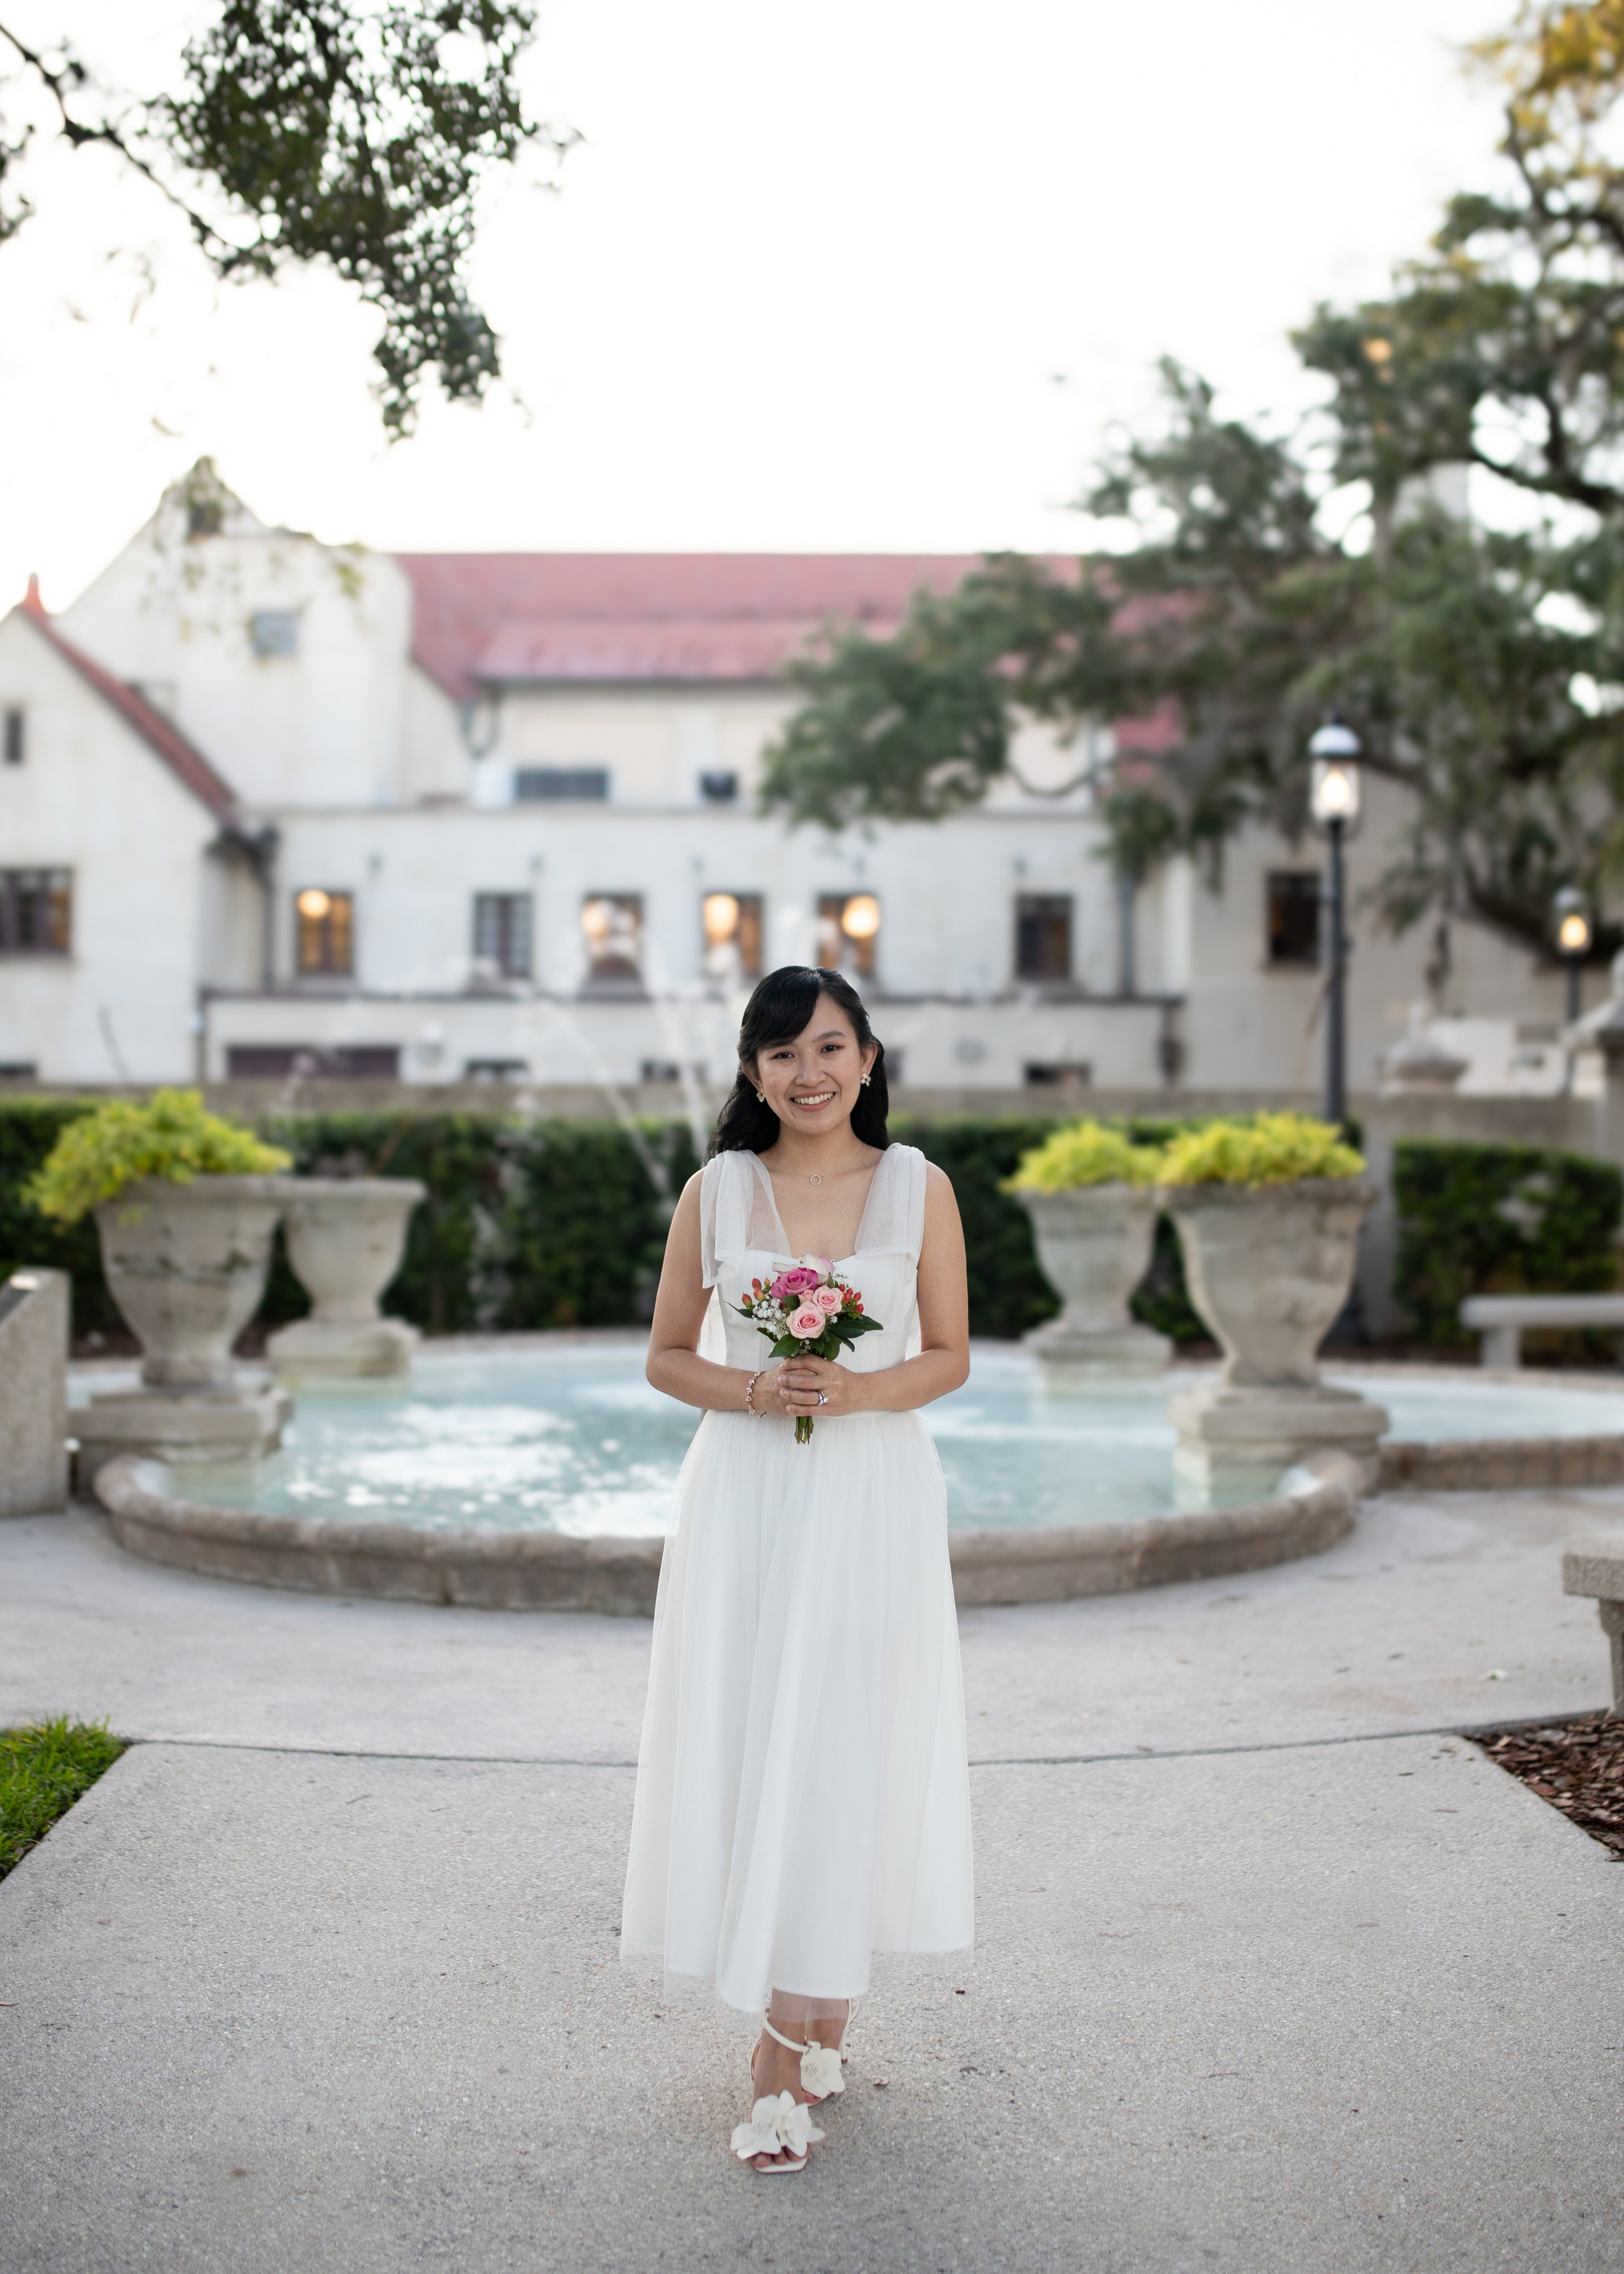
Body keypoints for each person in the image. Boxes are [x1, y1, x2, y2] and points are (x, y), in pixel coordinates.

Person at [622, 964, 975, 2172]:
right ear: (752, 1071)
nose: (808, 1073)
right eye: (782, 1053)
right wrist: (756, 1386)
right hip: (750, 1493)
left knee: (848, 1735)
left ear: (869, 1060)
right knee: (759, 1727)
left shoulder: (919, 1187)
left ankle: (820, 2011)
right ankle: (779, 2045)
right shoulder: (715, 1193)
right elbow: (669, 1356)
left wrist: (863, 1389)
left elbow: (952, 1354)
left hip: (873, 1490)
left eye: (829, 1048)